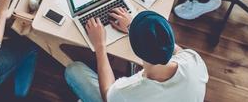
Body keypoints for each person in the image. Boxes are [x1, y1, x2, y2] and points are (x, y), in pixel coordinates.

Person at [65, 10, 208, 102]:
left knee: (74, 70)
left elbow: (108, 94)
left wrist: (100, 46)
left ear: (136, 50)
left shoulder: (128, 92)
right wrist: (133, 27)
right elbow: (172, 48)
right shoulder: (193, 60)